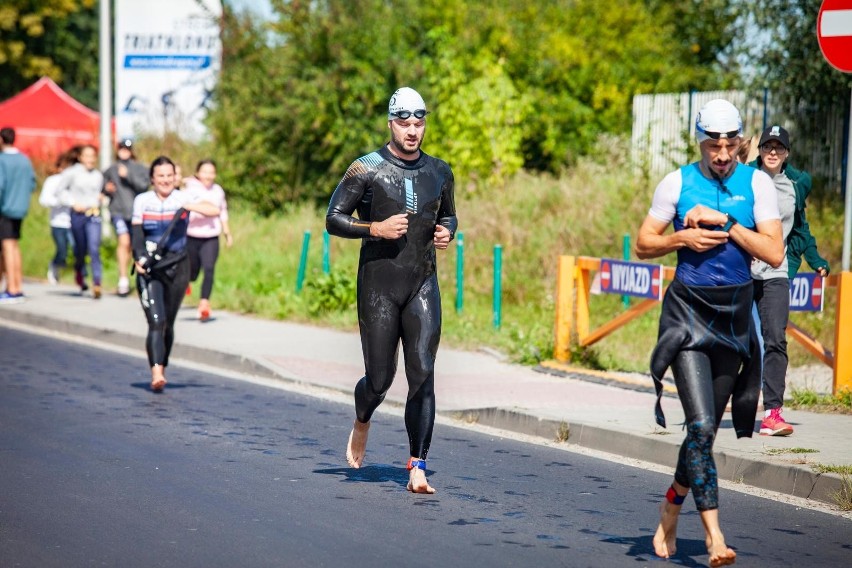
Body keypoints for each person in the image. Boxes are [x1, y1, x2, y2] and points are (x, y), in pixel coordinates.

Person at [635, 99, 783, 567]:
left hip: (735, 319)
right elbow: (643, 244)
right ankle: (716, 538)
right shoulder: (676, 183)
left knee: (704, 434)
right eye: (713, 144)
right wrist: (682, 237)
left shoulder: (757, 184)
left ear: (741, 140)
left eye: (730, 144)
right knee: (699, 425)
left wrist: (728, 224)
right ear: (699, 141)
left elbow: (774, 253)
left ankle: (669, 508)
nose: (722, 153)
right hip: (687, 314)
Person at [326, 87, 457, 494]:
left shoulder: (440, 171)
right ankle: (363, 418)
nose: (413, 131)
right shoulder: (365, 168)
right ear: (391, 123)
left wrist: (446, 232)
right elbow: (333, 218)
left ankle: (417, 464)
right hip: (378, 288)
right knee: (380, 379)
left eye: (419, 123)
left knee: (422, 371)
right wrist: (375, 229)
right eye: (405, 123)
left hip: (422, 282)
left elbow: (451, 215)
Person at [749, 125, 830, 436]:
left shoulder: (795, 184)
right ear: (759, 151)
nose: (772, 152)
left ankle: (772, 413)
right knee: (735, 340)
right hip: (742, 271)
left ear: (787, 153)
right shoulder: (746, 178)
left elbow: (800, 229)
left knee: (775, 339)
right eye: (767, 146)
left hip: (776, 271)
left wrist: (816, 260)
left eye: (778, 147)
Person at [132, 156, 220, 392]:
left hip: (178, 267)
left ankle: (163, 363)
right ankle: (157, 372)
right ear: (152, 178)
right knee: (156, 322)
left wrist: (191, 206)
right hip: (151, 269)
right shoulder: (142, 201)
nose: (165, 180)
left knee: (168, 324)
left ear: (175, 177)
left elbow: (214, 209)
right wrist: (139, 257)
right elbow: (137, 235)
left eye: (169, 175)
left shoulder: (183, 197)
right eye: (160, 176)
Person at [184, 159, 233, 321]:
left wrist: (227, 233)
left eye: (211, 172)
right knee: (193, 273)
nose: (208, 176)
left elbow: (222, 212)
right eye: (205, 172)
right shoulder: (190, 189)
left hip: (211, 236)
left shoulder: (218, 191)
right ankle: (186, 281)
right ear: (198, 173)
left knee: (209, 268)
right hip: (192, 235)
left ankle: (204, 304)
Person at [102, 139, 150, 297]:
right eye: (121, 148)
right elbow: (103, 187)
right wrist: (106, 189)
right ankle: (122, 279)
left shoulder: (139, 168)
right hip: (118, 212)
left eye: (127, 148)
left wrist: (127, 176)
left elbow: (144, 186)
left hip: (136, 213)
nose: (124, 151)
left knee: (134, 245)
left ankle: (140, 277)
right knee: (124, 242)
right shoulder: (110, 169)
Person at [59, 144, 106, 298]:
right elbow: (60, 191)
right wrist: (73, 203)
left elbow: (102, 194)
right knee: (80, 249)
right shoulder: (71, 173)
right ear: (81, 157)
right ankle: (80, 271)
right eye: (87, 156)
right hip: (78, 214)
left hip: (93, 213)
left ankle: (97, 282)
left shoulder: (98, 175)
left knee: (94, 247)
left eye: (93, 156)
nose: (90, 159)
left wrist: (102, 198)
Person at [0, 127, 37, 303]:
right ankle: (17, 287)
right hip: (20, 208)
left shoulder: (2, 160)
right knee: (14, 247)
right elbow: (32, 183)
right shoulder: (25, 160)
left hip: (5, 209)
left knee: (7, 248)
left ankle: (12, 289)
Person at [39, 147, 80, 284]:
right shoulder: (53, 180)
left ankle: (80, 276)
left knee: (77, 250)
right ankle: (54, 265)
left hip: (74, 221)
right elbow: (44, 199)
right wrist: (60, 202)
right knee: (62, 250)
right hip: (58, 222)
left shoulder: (76, 179)